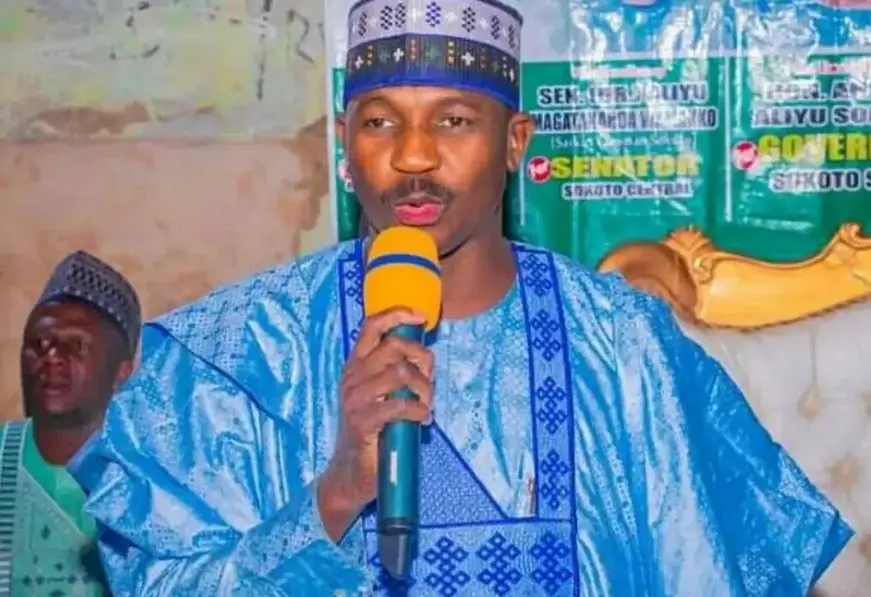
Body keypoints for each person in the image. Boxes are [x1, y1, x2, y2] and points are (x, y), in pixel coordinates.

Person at [70, 0, 851, 595]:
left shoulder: (624, 345)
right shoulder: (237, 358)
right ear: (345, 142)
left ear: (515, 141)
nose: (413, 155)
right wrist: (335, 494)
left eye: (452, 120)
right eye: (381, 122)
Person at [2, 250, 141, 596]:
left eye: (75, 346)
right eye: (39, 344)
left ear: (121, 373)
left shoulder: (151, 477)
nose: (51, 358)